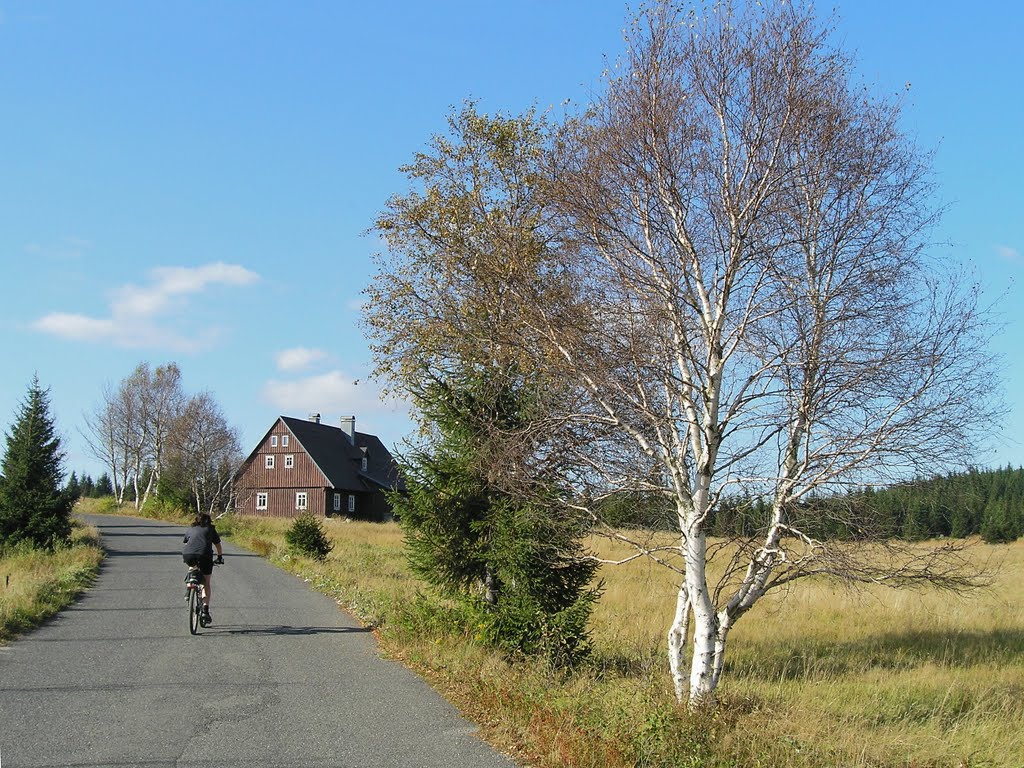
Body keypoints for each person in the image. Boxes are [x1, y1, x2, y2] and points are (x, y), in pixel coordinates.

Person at [182, 513, 224, 625]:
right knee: (206, 583)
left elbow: (186, 542)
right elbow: (218, 545)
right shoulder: (210, 529)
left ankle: (189, 586)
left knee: (192, 568)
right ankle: (205, 610)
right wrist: (219, 557)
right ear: (209, 521)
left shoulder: (191, 529)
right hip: (205, 556)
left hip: (188, 554)